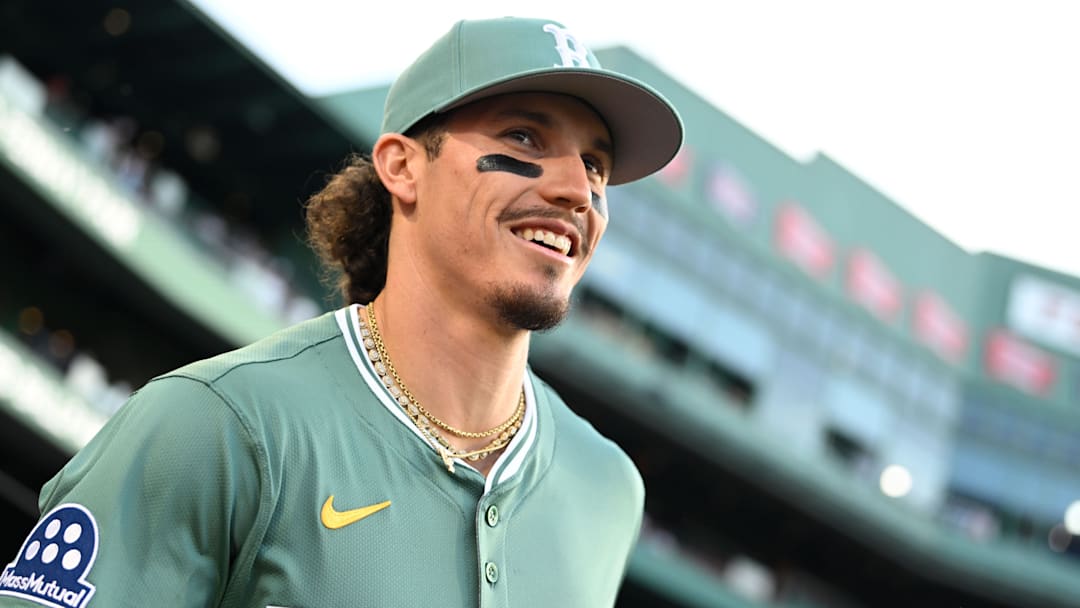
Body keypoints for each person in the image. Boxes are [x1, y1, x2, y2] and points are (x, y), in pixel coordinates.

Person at [0, 16, 682, 608]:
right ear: (403, 167)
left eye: (596, 165)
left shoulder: (606, 489)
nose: (576, 189)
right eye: (526, 138)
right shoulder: (215, 426)